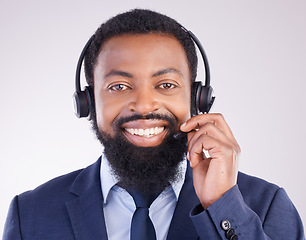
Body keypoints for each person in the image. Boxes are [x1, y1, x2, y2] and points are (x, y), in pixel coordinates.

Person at [3, 9, 305, 240]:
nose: (145, 105)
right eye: (119, 86)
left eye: (166, 84)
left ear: (198, 98)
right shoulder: (30, 215)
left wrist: (222, 206)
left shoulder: (266, 206)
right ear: (88, 102)